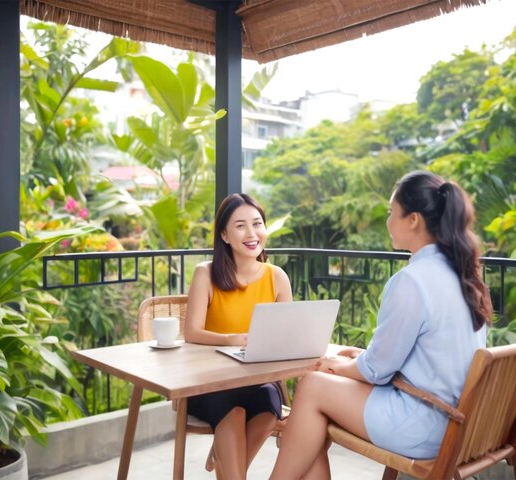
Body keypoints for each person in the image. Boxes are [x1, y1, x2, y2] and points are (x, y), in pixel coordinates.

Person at [270, 170, 493, 479]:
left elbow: (377, 371)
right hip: (460, 422)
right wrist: (355, 358)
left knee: (312, 386)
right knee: (315, 410)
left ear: (413, 219)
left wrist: (337, 366)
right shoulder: (465, 276)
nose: (388, 220)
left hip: (424, 423)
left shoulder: (413, 281)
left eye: (392, 212)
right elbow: (415, 357)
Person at [183, 192, 292, 480]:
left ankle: (226, 459)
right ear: (224, 235)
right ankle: (227, 460)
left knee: (270, 403)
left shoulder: (277, 277)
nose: (252, 233)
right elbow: (191, 333)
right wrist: (232, 339)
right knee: (234, 412)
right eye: (241, 225)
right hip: (209, 383)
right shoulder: (205, 274)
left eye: (257, 224)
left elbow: (286, 335)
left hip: (256, 379)